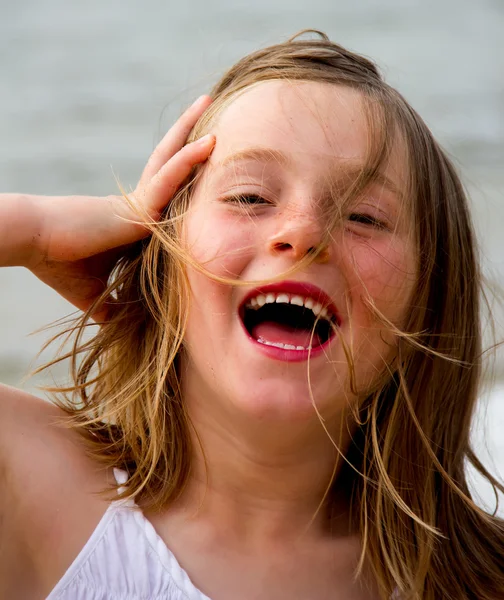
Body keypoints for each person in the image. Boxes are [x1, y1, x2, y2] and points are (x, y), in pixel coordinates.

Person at [0, 30, 503, 600]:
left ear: (429, 300)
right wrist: (34, 231)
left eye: (364, 216)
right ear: (163, 259)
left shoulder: (477, 580)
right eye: (249, 197)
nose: (304, 232)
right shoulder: (28, 483)